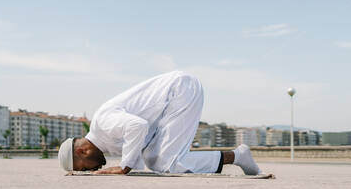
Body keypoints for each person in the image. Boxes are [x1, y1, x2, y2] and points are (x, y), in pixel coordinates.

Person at [59, 71, 263, 175]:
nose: (91, 171)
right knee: (156, 161)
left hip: (179, 90)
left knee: (168, 164)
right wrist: (129, 166)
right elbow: (139, 152)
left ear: (81, 152)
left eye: (85, 168)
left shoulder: (102, 123)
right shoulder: (106, 141)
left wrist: (124, 167)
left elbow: (137, 127)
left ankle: (238, 156)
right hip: (173, 98)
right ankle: (238, 156)